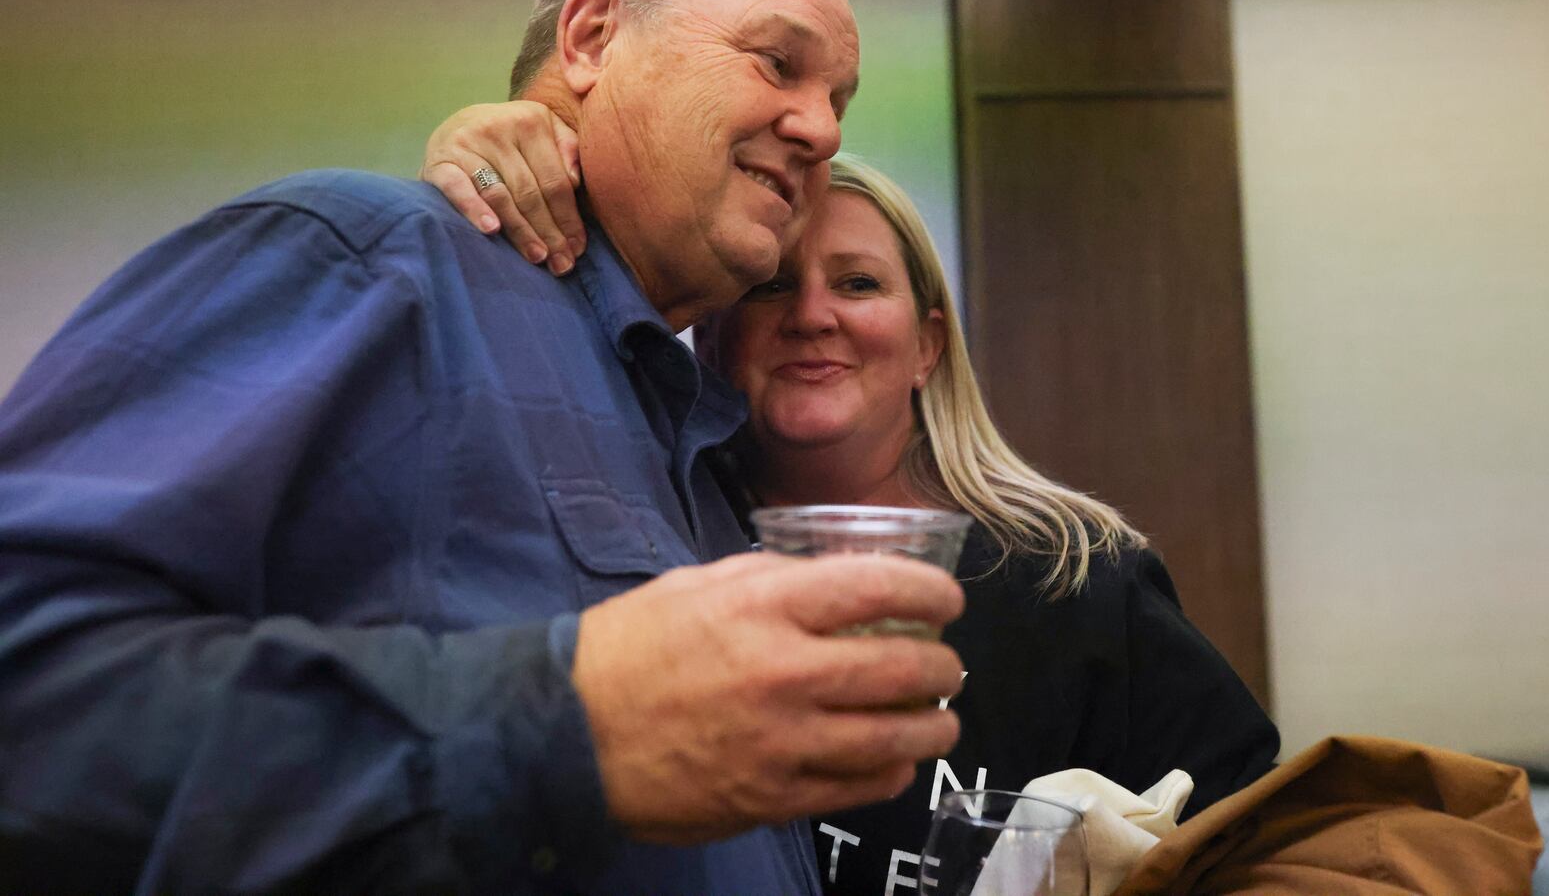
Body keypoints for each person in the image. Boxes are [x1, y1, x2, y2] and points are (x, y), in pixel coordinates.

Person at [0, 0, 971, 895]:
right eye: (779, 62)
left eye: (839, 103)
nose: (820, 127)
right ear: (591, 37)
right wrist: (562, 721)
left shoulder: (703, 440)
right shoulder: (374, 263)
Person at [418, 106, 1283, 894]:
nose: (813, 315)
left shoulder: (1075, 578)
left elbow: (1265, 847)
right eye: (770, 286)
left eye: (859, 283)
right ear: (708, 336)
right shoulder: (648, 548)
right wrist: (484, 177)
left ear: (926, 345)